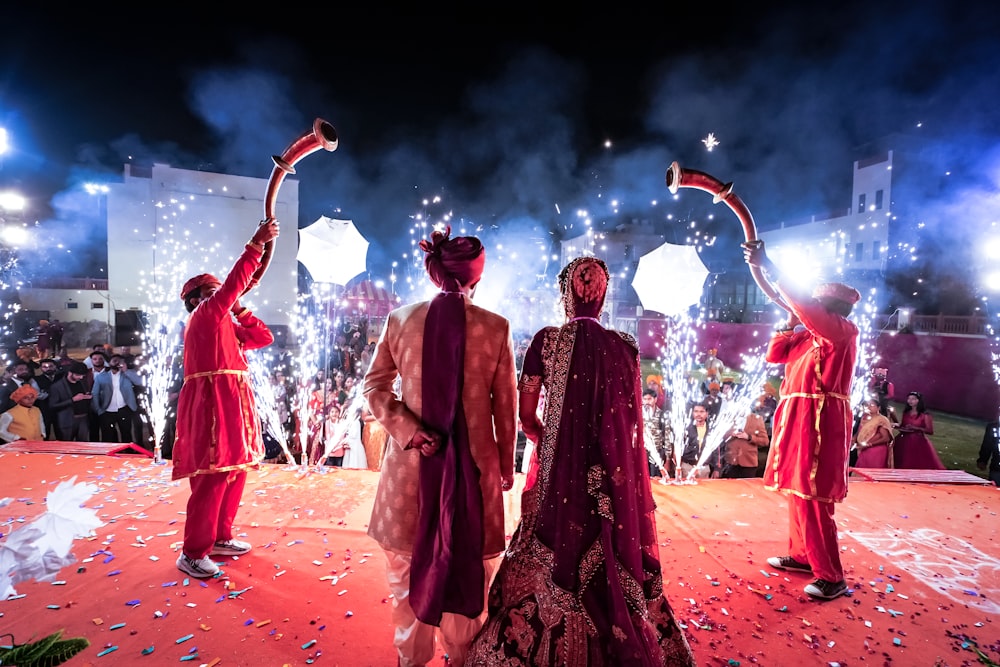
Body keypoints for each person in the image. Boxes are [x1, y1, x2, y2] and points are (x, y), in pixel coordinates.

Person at [467, 257, 694, 666]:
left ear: (565, 294)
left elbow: (526, 416)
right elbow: (629, 426)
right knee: (609, 544)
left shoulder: (546, 342)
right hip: (613, 480)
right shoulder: (625, 348)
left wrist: (549, 440)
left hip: (559, 475)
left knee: (552, 545)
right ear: (603, 297)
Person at [363, 226, 518, 667]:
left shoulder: (401, 320)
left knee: (407, 582)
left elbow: (374, 388)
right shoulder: (496, 327)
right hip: (475, 477)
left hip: (408, 478)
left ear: (435, 274)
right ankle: (462, 657)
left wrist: (409, 430)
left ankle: (410, 660)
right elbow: (504, 408)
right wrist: (505, 465)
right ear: (477, 278)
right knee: (468, 577)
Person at [744, 239, 859, 601]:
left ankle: (831, 576)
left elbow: (806, 308)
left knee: (814, 495)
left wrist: (770, 266)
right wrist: (789, 321)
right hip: (799, 418)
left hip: (822, 421)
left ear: (832, 307)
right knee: (797, 490)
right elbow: (775, 355)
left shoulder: (840, 332)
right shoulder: (810, 337)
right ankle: (802, 556)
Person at [172, 218, 279, 580]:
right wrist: (255, 244)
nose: (222, 296)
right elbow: (234, 285)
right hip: (211, 404)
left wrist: (241, 309)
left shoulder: (226, 323)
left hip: (233, 401)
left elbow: (263, 338)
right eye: (213, 291)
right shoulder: (203, 317)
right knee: (213, 475)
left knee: (234, 473)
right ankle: (192, 552)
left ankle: (219, 537)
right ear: (195, 299)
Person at [91, 353, 140, 443]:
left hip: (124, 409)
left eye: (120, 361)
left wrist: (126, 371)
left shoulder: (128, 374)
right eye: (114, 361)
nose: (117, 363)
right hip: (107, 411)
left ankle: (128, 453)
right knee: (108, 435)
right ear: (109, 363)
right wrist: (99, 410)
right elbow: (95, 394)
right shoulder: (101, 377)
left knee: (126, 434)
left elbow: (138, 382)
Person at [891, 391, 946, 469]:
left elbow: (929, 431)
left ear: (918, 401)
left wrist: (916, 428)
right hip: (903, 440)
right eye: (909, 399)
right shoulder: (906, 412)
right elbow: (903, 425)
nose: (910, 401)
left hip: (917, 441)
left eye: (913, 399)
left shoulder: (925, 415)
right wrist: (896, 426)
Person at [721, 402, 770, 478]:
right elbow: (719, 437)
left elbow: (765, 441)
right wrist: (731, 433)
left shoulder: (757, 419)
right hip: (730, 462)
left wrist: (748, 437)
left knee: (746, 488)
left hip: (749, 463)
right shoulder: (729, 418)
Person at [48, 361, 92, 441]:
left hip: (83, 418)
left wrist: (87, 396)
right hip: (67, 420)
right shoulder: (57, 386)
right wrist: (72, 400)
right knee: (66, 445)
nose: (81, 377)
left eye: (83, 375)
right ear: (70, 373)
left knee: (83, 445)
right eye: (78, 375)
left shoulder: (82, 382)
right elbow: (52, 406)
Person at [852, 397, 894, 469]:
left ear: (878, 408)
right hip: (863, 449)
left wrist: (869, 444)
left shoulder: (881, 420)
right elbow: (860, 431)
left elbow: (886, 438)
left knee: (872, 473)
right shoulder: (864, 418)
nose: (868, 407)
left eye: (872, 405)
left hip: (875, 450)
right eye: (867, 405)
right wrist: (854, 439)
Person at [680, 402, 718, 478]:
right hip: (687, 467)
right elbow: (678, 448)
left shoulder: (712, 429)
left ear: (707, 413)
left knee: (703, 489)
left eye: (701, 411)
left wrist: (717, 469)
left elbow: (716, 450)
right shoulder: (685, 428)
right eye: (696, 411)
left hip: (704, 467)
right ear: (692, 412)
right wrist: (678, 467)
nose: (698, 414)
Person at [642, 387, 672, 480]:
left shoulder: (662, 415)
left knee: (656, 479)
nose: (647, 402)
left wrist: (668, 460)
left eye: (649, 399)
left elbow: (667, 438)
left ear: (655, 399)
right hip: (641, 453)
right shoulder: (639, 415)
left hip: (657, 453)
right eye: (645, 399)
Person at [976, 420, 1000, 486]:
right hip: (996, 468)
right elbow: (987, 444)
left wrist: (983, 460)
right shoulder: (994, 427)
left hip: (997, 467)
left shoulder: (994, 427)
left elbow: (987, 444)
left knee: (994, 491)